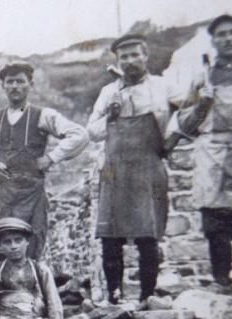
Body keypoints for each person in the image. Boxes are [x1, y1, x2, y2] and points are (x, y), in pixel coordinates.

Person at [87, 33, 182, 304]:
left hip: (149, 166)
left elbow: (188, 110)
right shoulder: (108, 92)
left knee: (147, 234)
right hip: (113, 169)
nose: (129, 61)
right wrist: (110, 115)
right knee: (110, 236)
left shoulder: (164, 87)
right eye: (124, 57)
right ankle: (114, 297)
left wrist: (174, 137)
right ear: (118, 61)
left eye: (134, 55)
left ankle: (147, 297)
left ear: (146, 56)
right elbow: (92, 131)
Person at [0, 62, 89, 276]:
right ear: (3, 86)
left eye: (20, 81)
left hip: (30, 197)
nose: (15, 86)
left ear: (30, 85)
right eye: (10, 82)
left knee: (28, 251)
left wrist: (51, 158)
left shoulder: (44, 115)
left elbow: (79, 135)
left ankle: (28, 293)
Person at [173, 14, 232, 308]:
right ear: (213, 41)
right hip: (211, 158)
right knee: (215, 225)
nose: (228, 38)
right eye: (221, 34)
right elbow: (185, 123)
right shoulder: (202, 78)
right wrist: (202, 105)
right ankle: (222, 285)